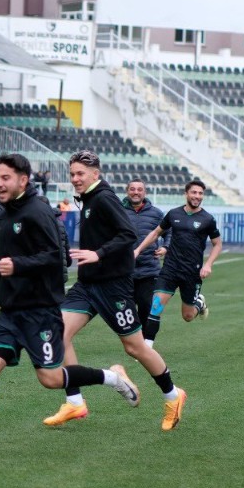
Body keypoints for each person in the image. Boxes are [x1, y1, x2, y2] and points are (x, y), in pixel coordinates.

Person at [0, 154, 126, 456]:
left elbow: (56, 257)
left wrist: (19, 265)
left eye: (6, 178)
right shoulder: (4, 213)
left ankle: (112, 377)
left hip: (40, 311)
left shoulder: (37, 211)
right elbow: (7, 265)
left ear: (23, 180)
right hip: (12, 312)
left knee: (50, 379)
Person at [47, 152, 188, 430]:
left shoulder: (103, 197)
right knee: (57, 333)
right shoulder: (87, 198)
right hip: (88, 285)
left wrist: (98, 254)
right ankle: (75, 402)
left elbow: (127, 234)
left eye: (81, 174)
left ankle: (173, 395)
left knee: (134, 347)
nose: (75, 179)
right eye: (72, 173)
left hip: (113, 286)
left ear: (95, 174)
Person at [135, 180, 222, 347]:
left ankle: (199, 303)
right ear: (186, 194)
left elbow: (217, 244)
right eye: (194, 192)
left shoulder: (208, 219)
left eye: (200, 193)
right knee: (156, 304)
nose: (197, 196)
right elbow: (156, 233)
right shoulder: (173, 214)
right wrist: (138, 249)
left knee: (188, 316)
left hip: (191, 272)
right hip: (170, 269)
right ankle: (148, 346)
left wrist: (208, 264)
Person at [123, 178, 166, 332]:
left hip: (149, 269)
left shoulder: (156, 213)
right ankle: (133, 341)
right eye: (132, 189)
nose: (136, 192)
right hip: (125, 270)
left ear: (144, 192)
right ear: (127, 191)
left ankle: (145, 344)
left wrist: (165, 247)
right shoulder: (118, 211)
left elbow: (169, 232)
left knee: (147, 307)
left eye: (139, 189)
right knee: (126, 311)